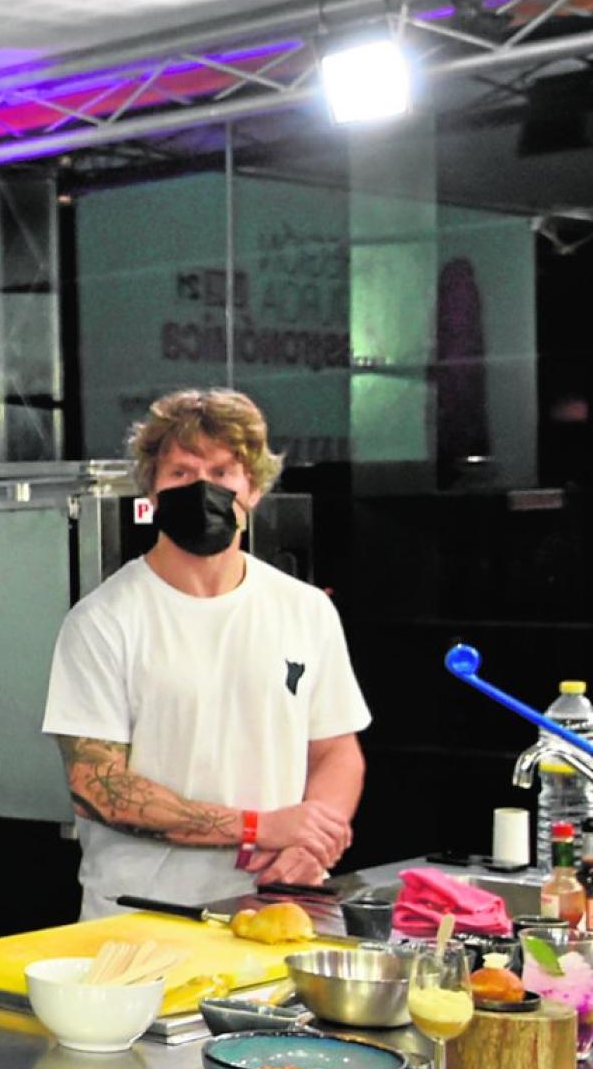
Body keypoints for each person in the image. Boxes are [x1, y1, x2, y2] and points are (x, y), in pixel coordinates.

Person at [42, 388, 370, 920]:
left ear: (254, 488)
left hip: (273, 908)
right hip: (141, 918)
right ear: (150, 486)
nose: (203, 488)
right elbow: (100, 788)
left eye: (222, 473)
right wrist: (258, 827)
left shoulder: (305, 609)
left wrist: (310, 841)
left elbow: (335, 750)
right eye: (182, 473)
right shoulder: (102, 622)